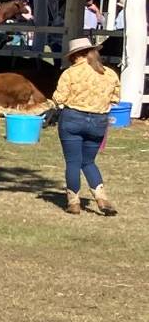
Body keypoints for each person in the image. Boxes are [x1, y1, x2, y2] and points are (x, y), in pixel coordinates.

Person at [52, 37, 121, 215]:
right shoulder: (109, 73)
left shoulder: (70, 73)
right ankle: (101, 198)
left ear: (75, 55)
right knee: (88, 161)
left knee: (73, 162)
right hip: (98, 121)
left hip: (73, 118)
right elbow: (115, 99)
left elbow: (59, 98)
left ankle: (73, 202)